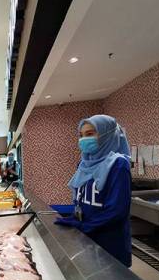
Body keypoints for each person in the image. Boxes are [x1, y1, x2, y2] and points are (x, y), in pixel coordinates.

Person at [54, 114, 132, 267]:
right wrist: (68, 215)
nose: (83, 140)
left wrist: (85, 226)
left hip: (109, 242)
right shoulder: (83, 164)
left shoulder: (118, 164)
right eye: (81, 135)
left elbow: (117, 211)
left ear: (107, 135)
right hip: (87, 240)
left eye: (90, 134)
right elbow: (83, 202)